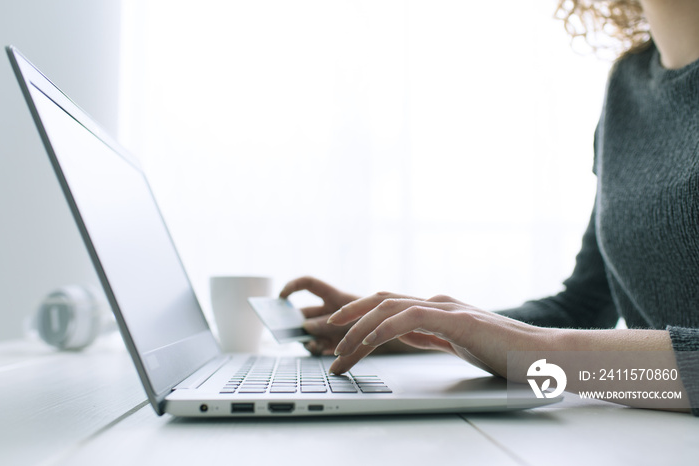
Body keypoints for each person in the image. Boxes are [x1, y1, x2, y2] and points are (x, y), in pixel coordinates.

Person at [280, 0, 699, 414]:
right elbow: (584, 307)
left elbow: (560, 345)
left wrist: (540, 353)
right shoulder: (628, 83)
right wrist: (423, 327)